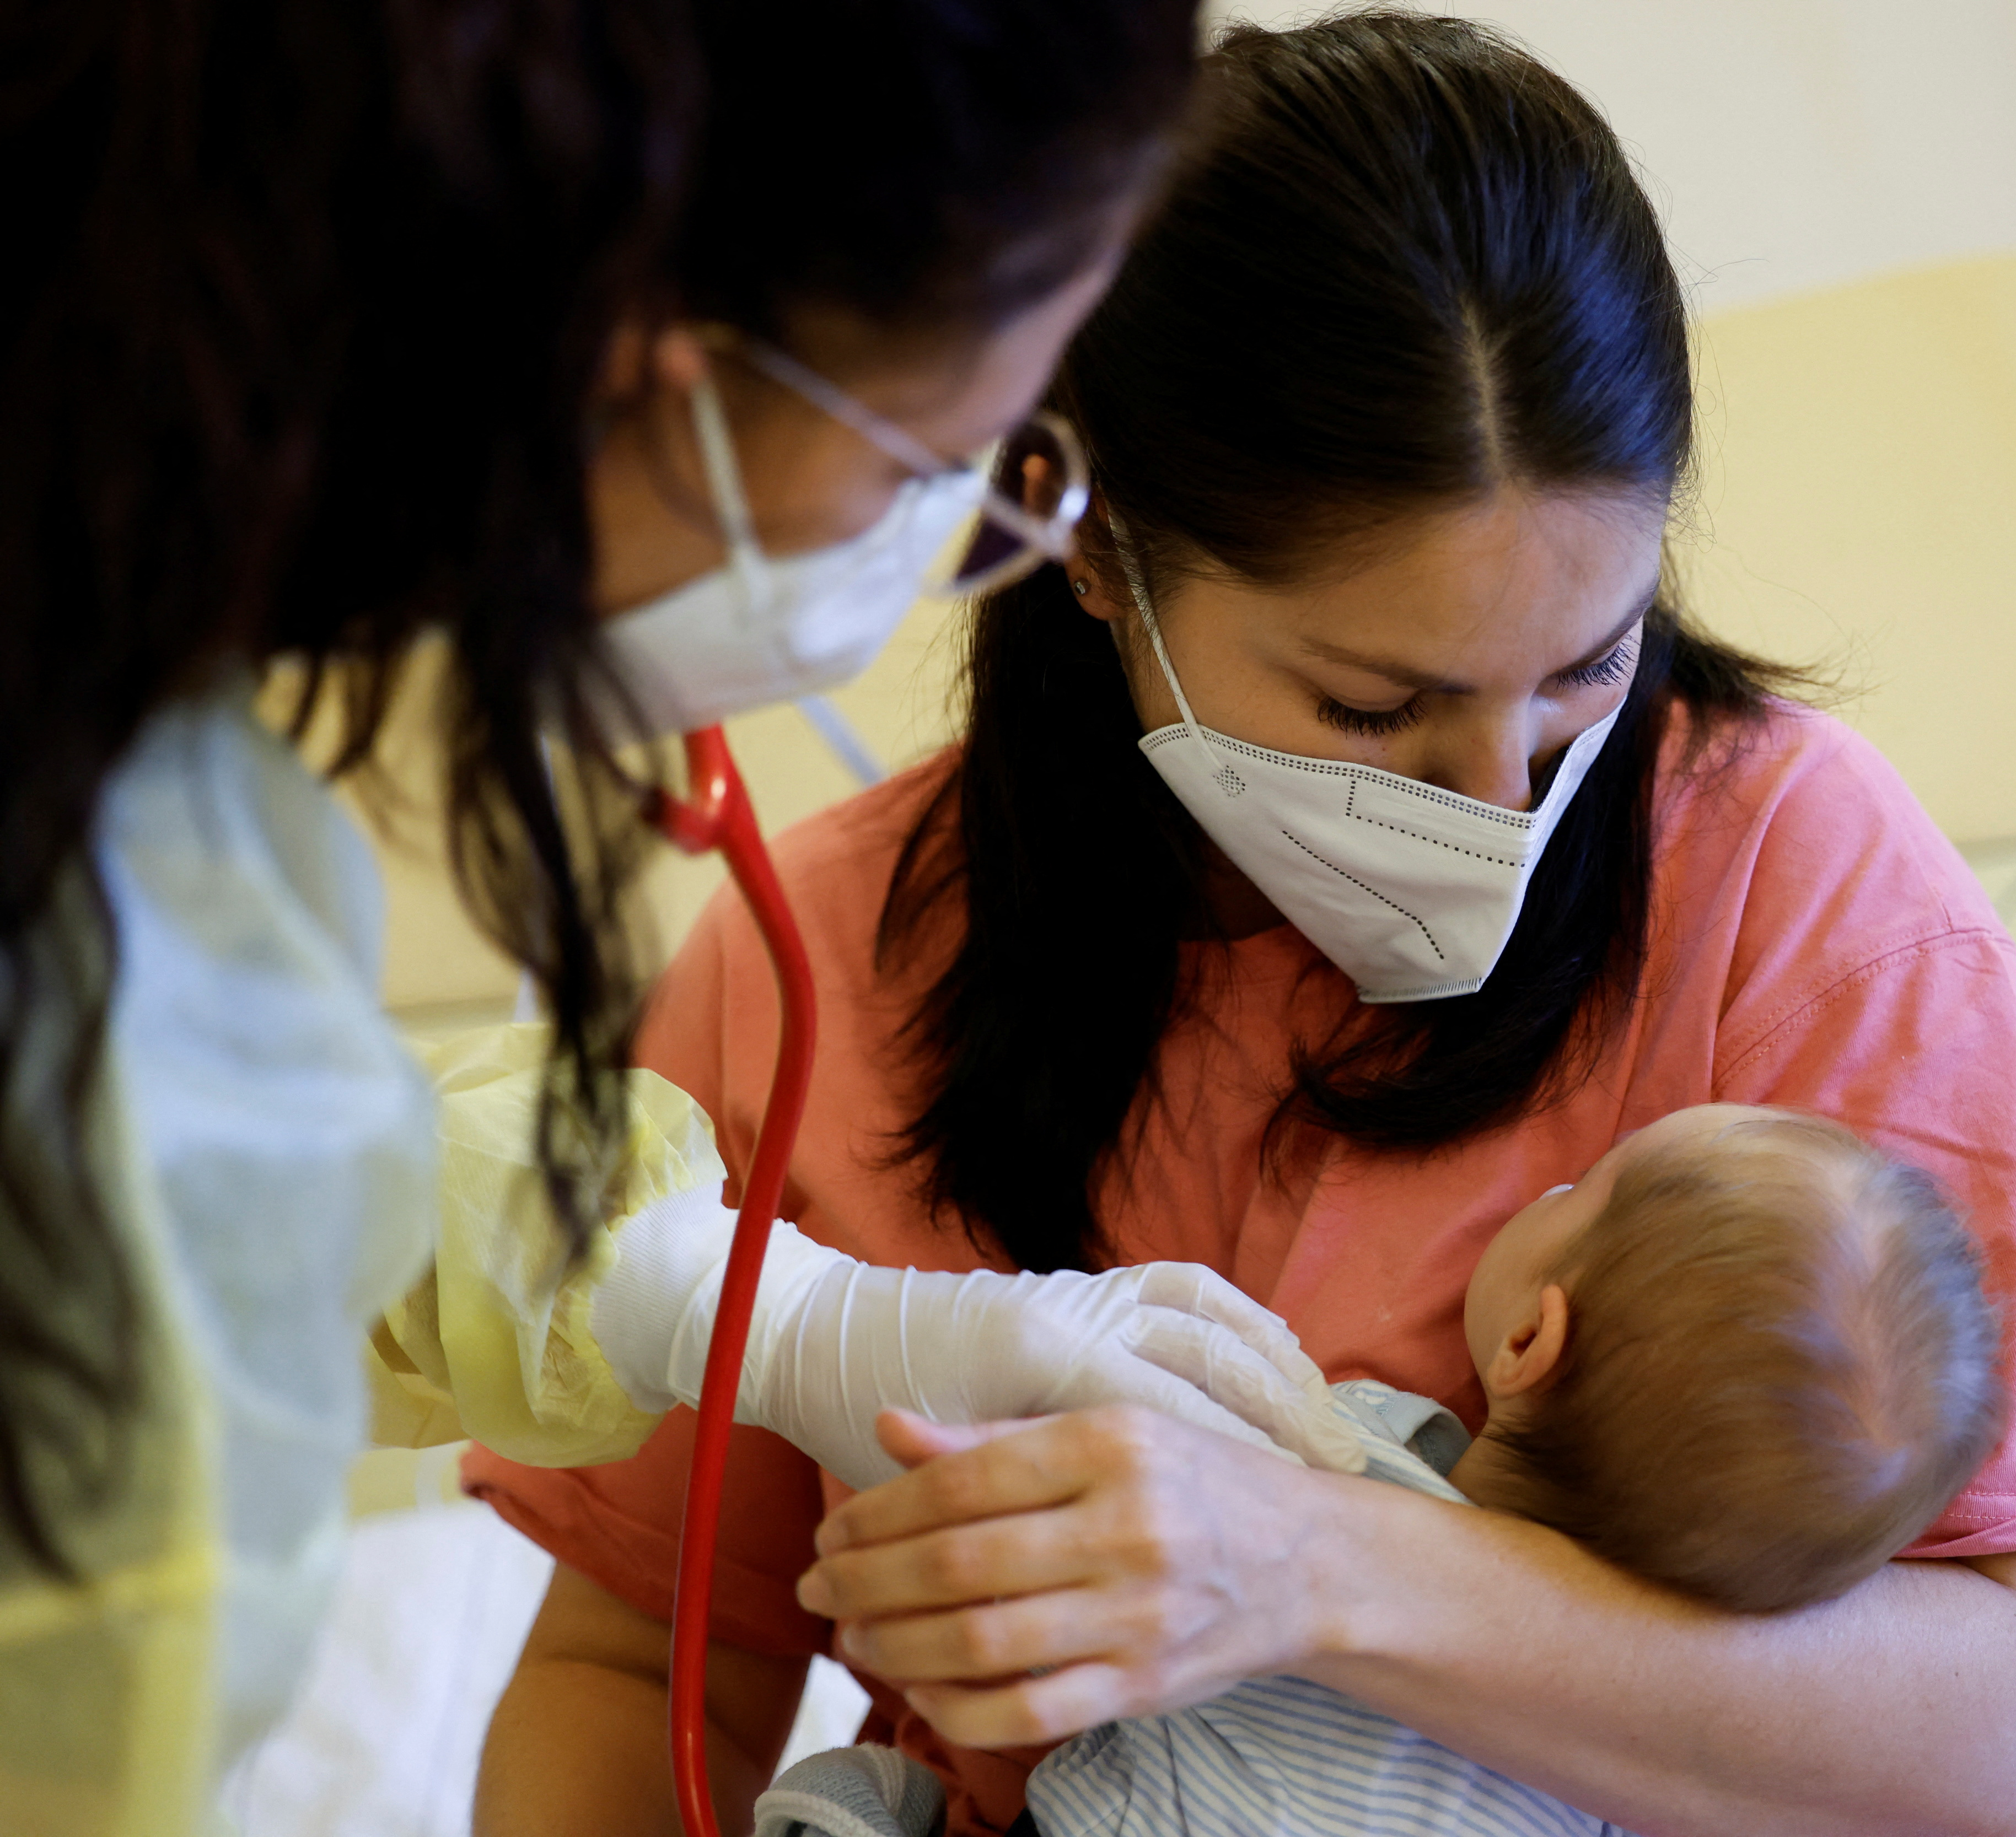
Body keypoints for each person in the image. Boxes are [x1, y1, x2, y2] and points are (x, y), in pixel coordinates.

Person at [469, 15, 2016, 1837]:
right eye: (1377, 710)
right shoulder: (810, 965)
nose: (1496, 800)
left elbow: (1985, 1748)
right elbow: (632, 1665)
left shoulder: (1812, 902)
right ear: (1095, 545)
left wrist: (1313, 1566)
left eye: (1582, 672)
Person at [0, 4, 1350, 1833]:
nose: (952, 542)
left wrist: (783, 1316)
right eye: (930, 460)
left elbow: (228, 1192)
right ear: (652, 357)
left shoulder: (159, 782)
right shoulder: (124, 843)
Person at [755, 1101, 2010, 1837]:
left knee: (854, 1792)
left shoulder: (1341, 1447)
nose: (1558, 1179)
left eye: (1585, 1187)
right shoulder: (1657, 1759)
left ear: (1528, 1337)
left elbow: (1093, 1492)